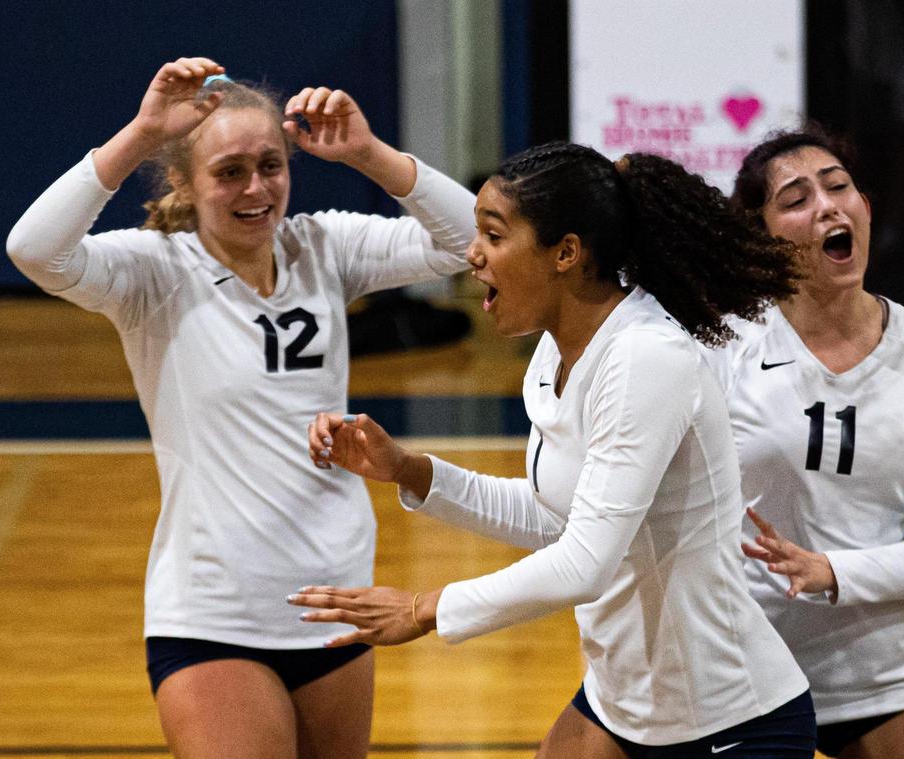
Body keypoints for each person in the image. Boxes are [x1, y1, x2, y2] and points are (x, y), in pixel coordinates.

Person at [6, 57, 475, 759]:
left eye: (271, 165)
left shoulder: (322, 246)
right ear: (185, 184)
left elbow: (472, 241)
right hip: (214, 616)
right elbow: (34, 249)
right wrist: (141, 132)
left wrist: (368, 153)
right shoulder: (154, 271)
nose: (256, 188)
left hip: (333, 608)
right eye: (229, 172)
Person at [290, 141, 817, 758]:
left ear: (566, 253)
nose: (472, 254)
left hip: (729, 721)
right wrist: (411, 472)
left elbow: (584, 563)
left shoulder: (646, 357)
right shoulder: (551, 355)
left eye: (493, 234)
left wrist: (424, 608)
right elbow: (557, 517)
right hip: (624, 703)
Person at [706, 124, 904, 758]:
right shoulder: (721, 346)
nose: (827, 205)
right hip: (743, 663)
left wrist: (832, 570)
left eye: (839, 187)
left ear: (864, 209)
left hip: (880, 663)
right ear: (762, 237)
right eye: (796, 199)